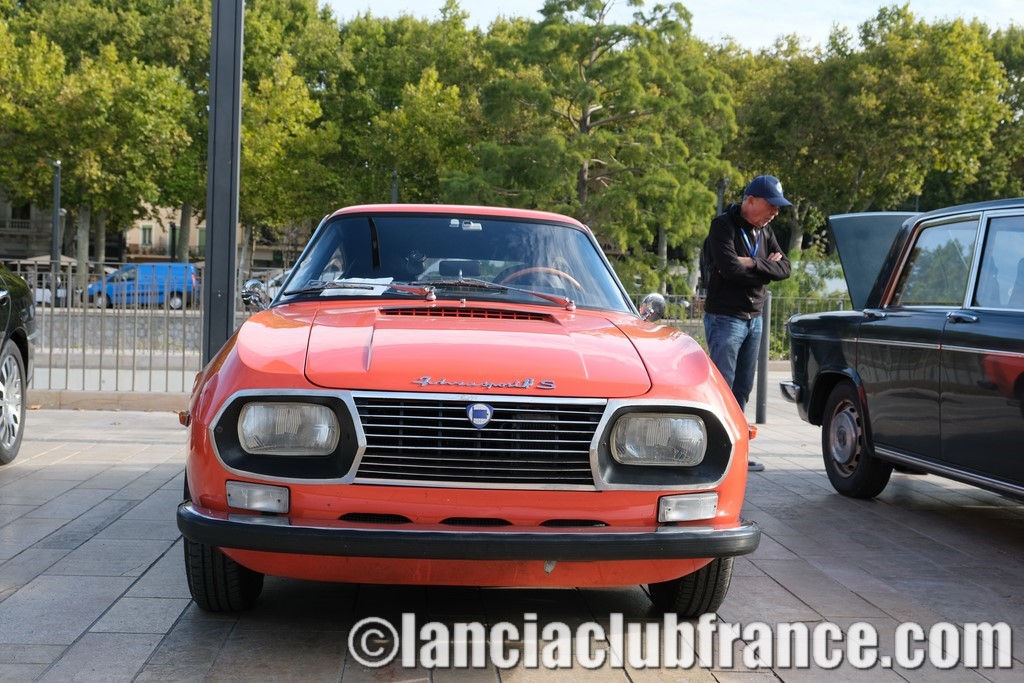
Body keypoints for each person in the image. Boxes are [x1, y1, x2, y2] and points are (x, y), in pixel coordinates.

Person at [703, 175, 792, 472]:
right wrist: (767, 268)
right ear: (750, 200)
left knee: (742, 388)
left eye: (778, 207)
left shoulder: (765, 230)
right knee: (724, 387)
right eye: (771, 205)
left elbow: (786, 268)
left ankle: (737, 451)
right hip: (726, 318)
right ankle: (715, 454)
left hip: (755, 318)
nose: (775, 212)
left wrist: (753, 262)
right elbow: (729, 269)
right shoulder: (723, 226)